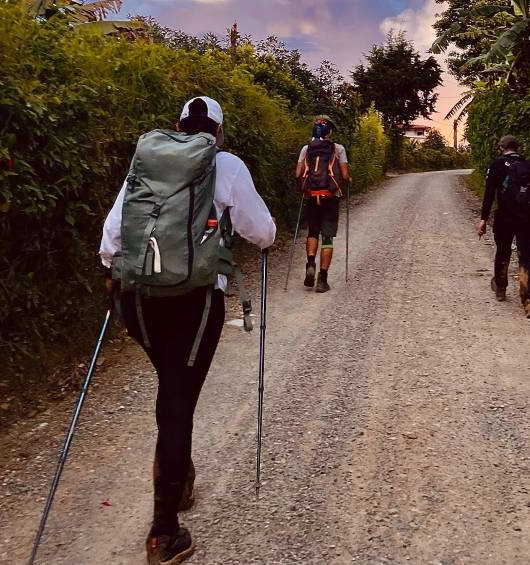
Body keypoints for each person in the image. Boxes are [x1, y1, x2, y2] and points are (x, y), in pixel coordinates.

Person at [99, 96, 276, 565]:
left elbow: (110, 237)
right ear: (217, 132)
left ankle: (179, 475)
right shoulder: (226, 164)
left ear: (178, 127)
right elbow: (261, 231)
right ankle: (164, 532)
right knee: (178, 401)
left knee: (170, 387)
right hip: (194, 302)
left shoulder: (149, 160)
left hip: (135, 300)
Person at [477, 135, 530, 319]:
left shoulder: (497, 165)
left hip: (505, 216)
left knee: (503, 250)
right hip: (528, 217)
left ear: (501, 148)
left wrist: (483, 219)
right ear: (518, 147)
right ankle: (528, 302)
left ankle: (500, 287)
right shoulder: (529, 166)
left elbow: (489, 193)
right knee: (525, 256)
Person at [295, 116, 351, 293]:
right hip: (330, 197)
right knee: (327, 238)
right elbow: (343, 174)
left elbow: (298, 174)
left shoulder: (306, 149)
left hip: (312, 196)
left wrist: (305, 190)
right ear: (330, 132)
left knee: (312, 232)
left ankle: (310, 263)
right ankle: (322, 280)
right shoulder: (338, 148)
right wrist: (349, 179)